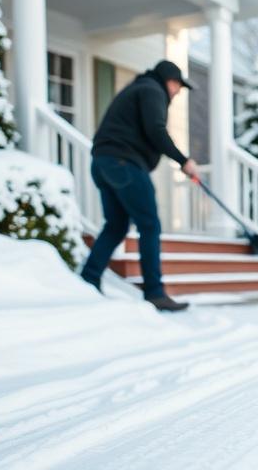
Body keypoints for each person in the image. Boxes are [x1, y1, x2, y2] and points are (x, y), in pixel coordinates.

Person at [80, 60, 198, 312]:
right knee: (149, 225)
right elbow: (156, 130)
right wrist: (183, 161)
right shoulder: (152, 90)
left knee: (116, 226)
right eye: (178, 85)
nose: (178, 92)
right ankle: (155, 293)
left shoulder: (139, 88)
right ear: (169, 80)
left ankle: (89, 278)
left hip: (103, 163)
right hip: (124, 163)